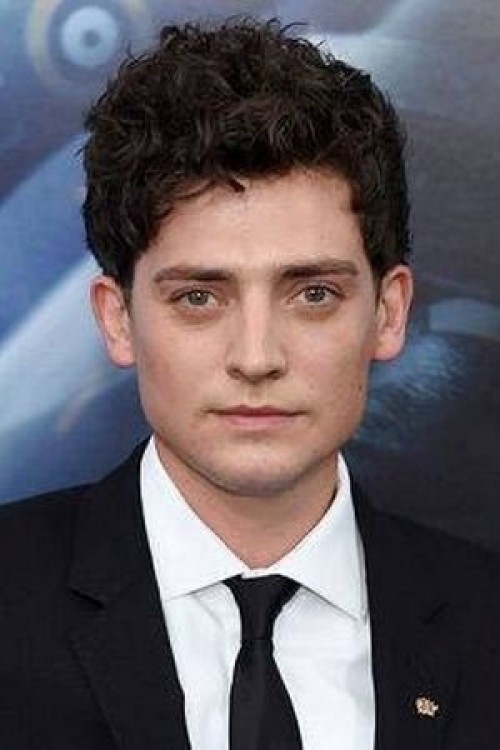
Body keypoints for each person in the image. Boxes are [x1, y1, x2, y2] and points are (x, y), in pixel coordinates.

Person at [0, 17, 499, 750]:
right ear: (117, 320)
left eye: (314, 294)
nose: (257, 357)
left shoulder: (485, 621)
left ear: (389, 312)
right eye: (200, 297)